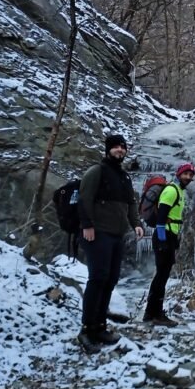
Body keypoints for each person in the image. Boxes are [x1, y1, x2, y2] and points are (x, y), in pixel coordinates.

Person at [77, 134, 145, 353]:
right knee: (97, 279)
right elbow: (84, 198)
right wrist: (87, 225)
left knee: (110, 279)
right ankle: (87, 329)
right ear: (108, 150)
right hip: (97, 234)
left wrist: (136, 224)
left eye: (122, 147)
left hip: (117, 235)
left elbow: (131, 203)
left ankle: (100, 326)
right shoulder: (97, 172)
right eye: (115, 147)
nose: (119, 150)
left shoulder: (124, 177)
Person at [143, 162, 195, 326]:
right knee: (161, 276)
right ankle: (155, 314)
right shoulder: (171, 190)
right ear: (179, 174)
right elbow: (161, 218)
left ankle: (151, 313)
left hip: (170, 235)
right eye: (185, 174)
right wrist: (163, 240)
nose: (188, 177)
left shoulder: (179, 191)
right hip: (164, 236)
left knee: (162, 275)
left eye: (190, 175)